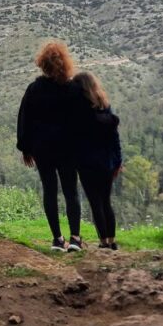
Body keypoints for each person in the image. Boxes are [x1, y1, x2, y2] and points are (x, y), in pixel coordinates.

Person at [17, 41, 82, 252]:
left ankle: (57, 239)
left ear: (42, 64)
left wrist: (26, 148)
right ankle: (75, 239)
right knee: (71, 191)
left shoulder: (34, 89)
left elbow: (24, 119)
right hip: (68, 149)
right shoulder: (73, 89)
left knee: (49, 190)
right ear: (64, 63)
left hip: (42, 149)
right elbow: (82, 121)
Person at [71, 71, 123, 250]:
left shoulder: (79, 110)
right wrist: (118, 161)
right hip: (106, 162)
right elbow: (114, 138)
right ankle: (112, 241)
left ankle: (103, 242)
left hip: (86, 163)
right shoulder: (104, 106)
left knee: (95, 203)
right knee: (106, 201)